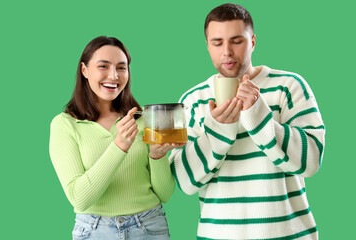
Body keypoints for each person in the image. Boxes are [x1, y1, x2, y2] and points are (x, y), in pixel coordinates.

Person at [170, 3, 325, 240]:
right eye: (217, 42)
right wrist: (218, 133)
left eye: (236, 41)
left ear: (252, 41)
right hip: (217, 235)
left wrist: (258, 117)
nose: (227, 52)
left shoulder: (290, 85)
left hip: (291, 234)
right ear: (207, 46)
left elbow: (311, 162)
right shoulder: (192, 100)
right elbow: (184, 182)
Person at [49, 36, 182, 240]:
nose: (114, 75)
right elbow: (79, 198)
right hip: (93, 231)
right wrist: (119, 145)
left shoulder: (144, 118)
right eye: (103, 66)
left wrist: (157, 156)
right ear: (84, 70)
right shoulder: (64, 125)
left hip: (149, 226)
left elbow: (165, 194)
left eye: (122, 67)